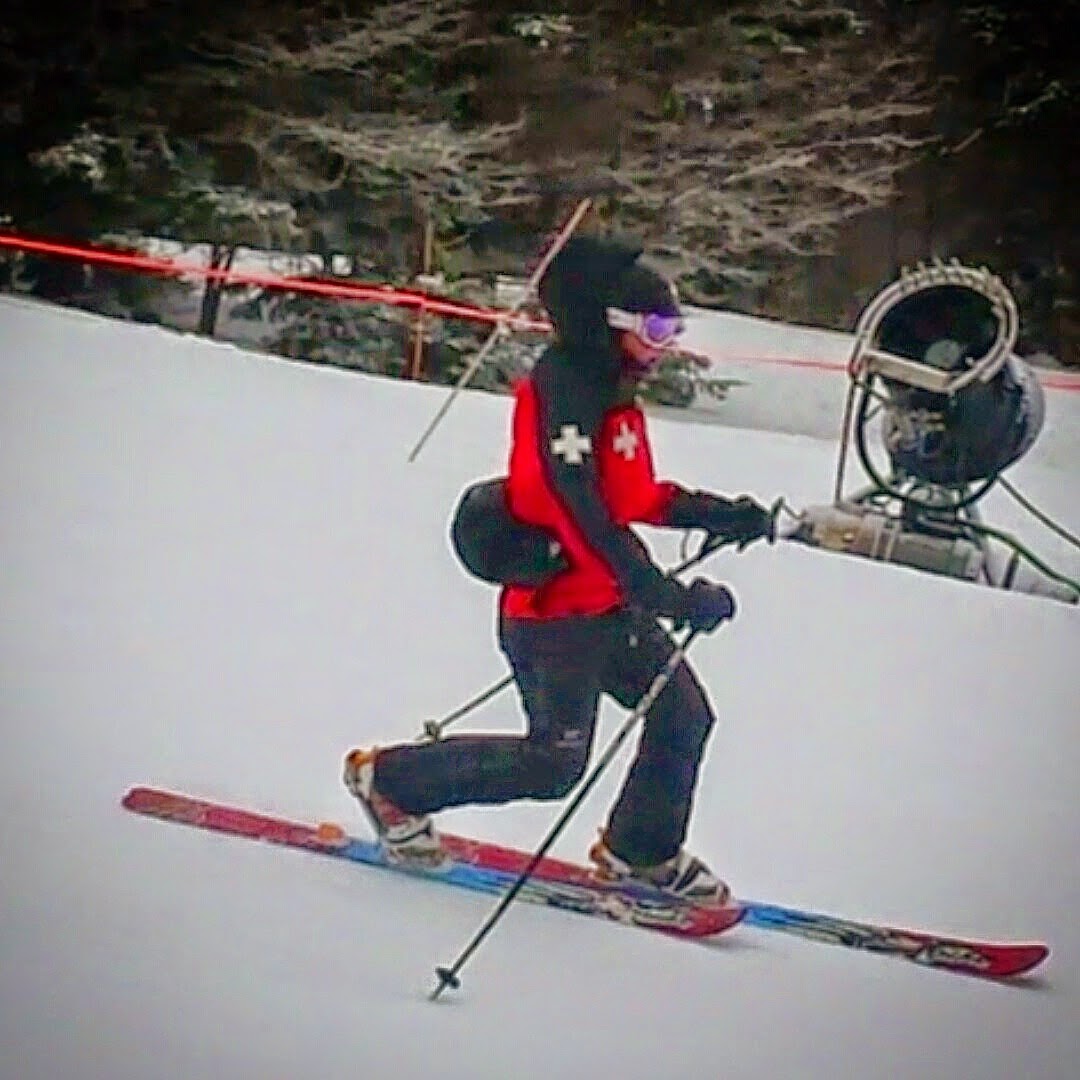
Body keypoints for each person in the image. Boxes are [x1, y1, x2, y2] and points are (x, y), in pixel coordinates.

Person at [344, 236, 775, 905]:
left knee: (683, 715)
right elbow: (582, 513)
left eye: (673, 331)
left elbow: (633, 496)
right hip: (554, 612)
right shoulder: (564, 397)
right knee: (554, 763)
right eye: (656, 331)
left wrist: (722, 514)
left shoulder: (614, 393)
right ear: (611, 324)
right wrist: (664, 593)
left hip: (606, 600)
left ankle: (642, 853)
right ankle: (392, 784)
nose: (665, 346)